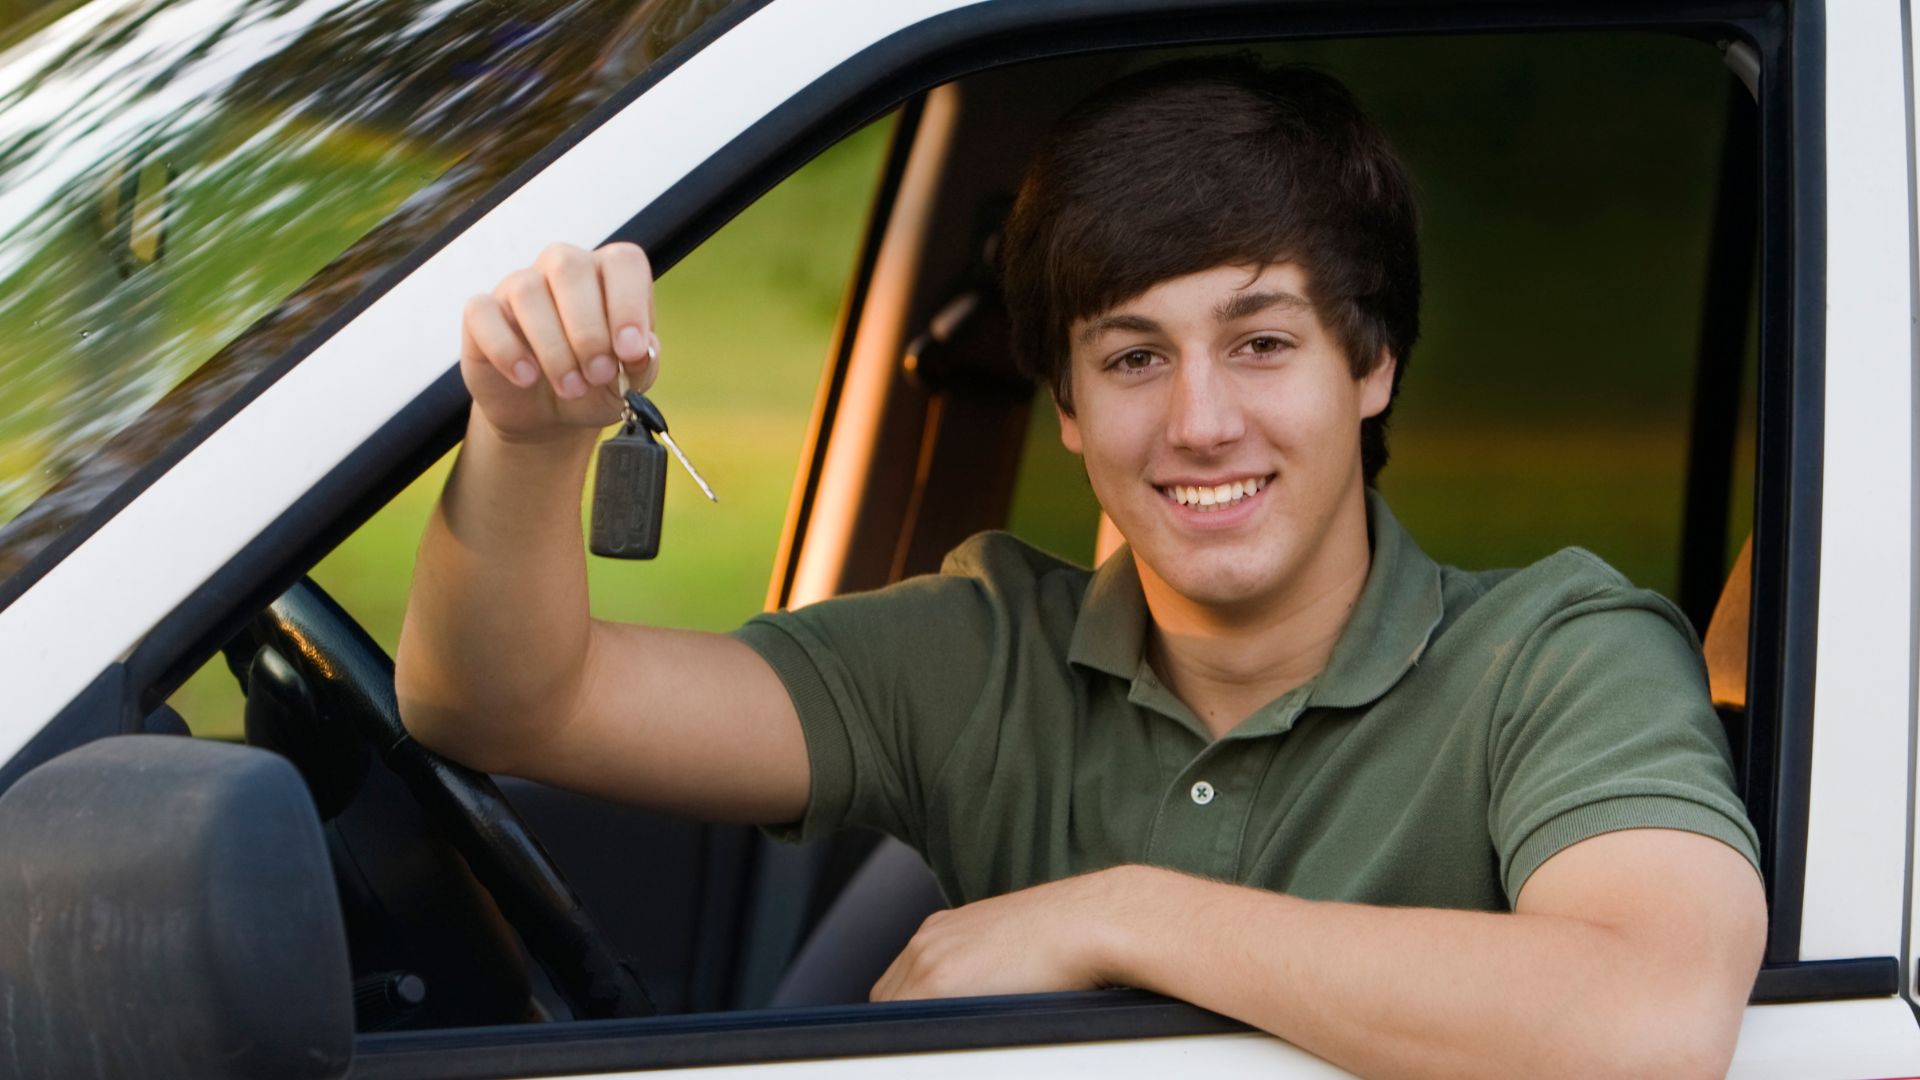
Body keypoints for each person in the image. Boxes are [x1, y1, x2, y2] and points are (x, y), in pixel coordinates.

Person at [396, 56, 1766, 1077]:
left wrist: (1120, 918)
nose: (1200, 420)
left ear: (1373, 363)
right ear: (1064, 407)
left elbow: (1648, 1018)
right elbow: (506, 706)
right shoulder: (981, 652)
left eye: (1263, 342)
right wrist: (525, 438)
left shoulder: (1561, 657)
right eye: (1131, 357)